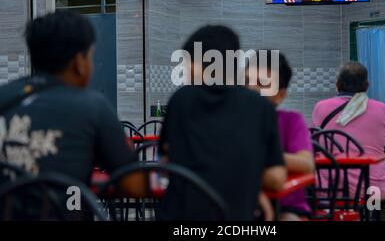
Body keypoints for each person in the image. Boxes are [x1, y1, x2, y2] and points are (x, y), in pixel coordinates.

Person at [0, 11, 147, 202]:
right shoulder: (92, 106)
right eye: (91, 57)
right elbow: (134, 185)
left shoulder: (4, 96)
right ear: (79, 62)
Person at [158, 25, 287, 221]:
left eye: (187, 62)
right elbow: (277, 178)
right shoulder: (261, 107)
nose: (184, 70)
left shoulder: (181, 99)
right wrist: (245, 177)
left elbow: (167, 161)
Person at [312, 61, 385, 221]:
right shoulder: (382, 109)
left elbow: (316, 141)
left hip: (329, 188)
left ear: (338, 84)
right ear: (367, 85)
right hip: (371, 188)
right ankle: (372, 214)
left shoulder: (321, 107)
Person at [247, 52, 315, 221]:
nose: (251, 88)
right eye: (246, 81)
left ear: (280, 95)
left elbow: (306, 164)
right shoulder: (231, 120)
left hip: (287, 205)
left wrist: (263, 156)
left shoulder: (291, 121)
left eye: (262, 83)